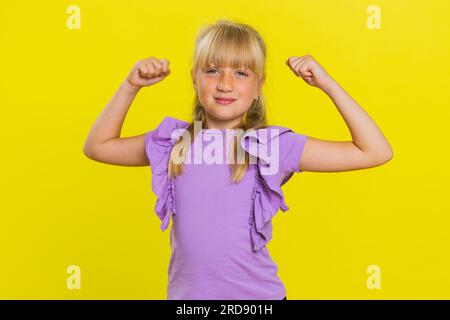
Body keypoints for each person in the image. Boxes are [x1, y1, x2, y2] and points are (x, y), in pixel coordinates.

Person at [83, 19, 393, 300]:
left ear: (259, 86)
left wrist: (327, 84)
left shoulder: (269, 146)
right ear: (194, 79)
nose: (225, 84)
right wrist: (130, 86)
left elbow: (375, 151)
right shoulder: (172, 142)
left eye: (241, 73)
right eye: (213, 69)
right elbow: (98, 146)